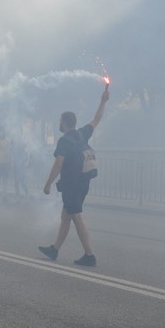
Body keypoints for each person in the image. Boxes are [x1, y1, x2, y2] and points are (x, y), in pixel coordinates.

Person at [38, 85, 109, 267]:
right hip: (84, 182)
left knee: (76, 217)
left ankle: (90, 255)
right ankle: (54, 249)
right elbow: (96, 119)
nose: (58, 124)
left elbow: (58, 163)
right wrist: (103, 101)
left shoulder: (64, 140)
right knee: (66, 215)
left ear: (65, 123)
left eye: (60, 121)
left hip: (72, 184)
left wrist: (47, 184)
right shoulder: (81, 133)